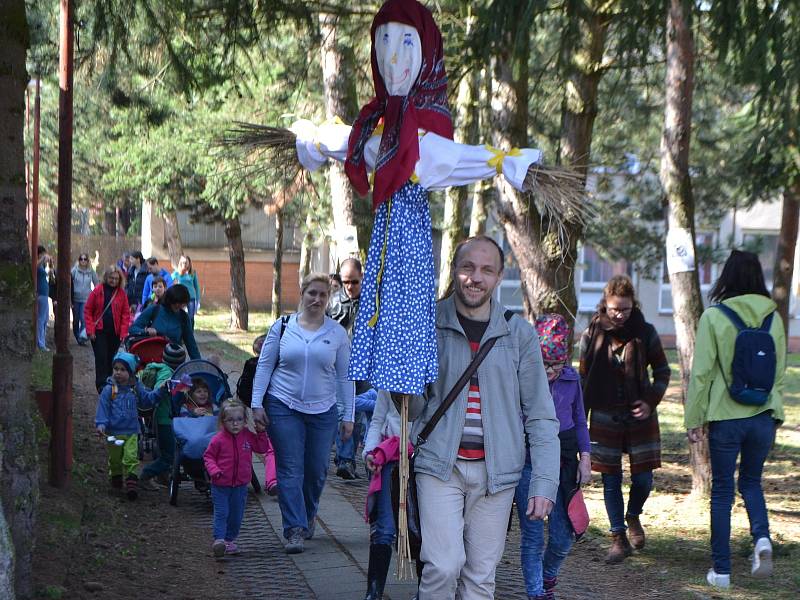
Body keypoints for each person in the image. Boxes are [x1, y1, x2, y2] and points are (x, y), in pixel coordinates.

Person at [411, 236, 560, 599]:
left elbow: (541, 414)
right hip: (439, 465)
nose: (475, 278)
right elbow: (411, 411)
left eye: (486, 270)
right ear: (455, 270)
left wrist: (544, 482)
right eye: (468, 267)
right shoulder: (428, 325)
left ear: (498, 277)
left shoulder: (519, 333)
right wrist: (404, 377)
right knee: (443, 565)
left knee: (480, 577)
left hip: (499, 473)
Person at [685, 250, 785, 589]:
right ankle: (761, 540)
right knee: (752, 483)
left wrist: (694, 420)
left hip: (725, 419)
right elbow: (780, 373)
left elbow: (701, 374)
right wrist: (777, 414)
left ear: (726, 276)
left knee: (723, 492)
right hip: (762, 417)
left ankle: (722, 572)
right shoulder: (774, 317)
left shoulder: (714, 317)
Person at [251, 273, 355, 554]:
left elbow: (346, 377)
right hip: (283, 405)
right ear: (302, 293)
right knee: (289, 468)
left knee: (317, 470)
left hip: (323, 411)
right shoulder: (283, 327)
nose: (317, 299)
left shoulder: (336, 334)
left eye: (323, 295)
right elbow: (264, 366)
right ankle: (294, 528)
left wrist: (349, 417)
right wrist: (257, 403)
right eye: (312, 293)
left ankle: (308, 513)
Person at [579, 274, 671, 564]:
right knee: (610, 479)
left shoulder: (646, 331)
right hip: (604, 413)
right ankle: (618, 538)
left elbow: (663, 372)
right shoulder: (591, 333)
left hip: (638, 415)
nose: (619, 315)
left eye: (626, 309)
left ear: (634, 306)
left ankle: (633, 515)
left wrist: (650, 400)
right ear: (605, 304)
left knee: (643, 479)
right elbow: (583, 377)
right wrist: (580, 417)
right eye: (614, 309)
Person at [516, 314, 591, 600]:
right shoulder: (523, 377)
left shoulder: (571, 380)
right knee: (533, 536)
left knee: (563, 536)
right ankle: (536, 594)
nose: (550, 371)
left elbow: (580, 420)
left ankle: (548, 576)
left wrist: (585, 457)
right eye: (545, 364)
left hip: (564, 463)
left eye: (556, 365)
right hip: (528, 464)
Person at [204, 399, 270, 557]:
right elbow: (208, 457)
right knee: (222, 512)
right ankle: (219, 540)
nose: (235, 424)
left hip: (240, 485)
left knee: (236, 514)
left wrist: (261, 432)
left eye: (239, 420)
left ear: (245, 421)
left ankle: (229, 539)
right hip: (220, 485)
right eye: (230, 420)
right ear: (223, 421)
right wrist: (214, 470)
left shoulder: (247, 436)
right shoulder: (218, 439)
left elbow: (262, 448)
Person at [361, 389, 410, 600]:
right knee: (384, 528)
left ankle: (428, 588)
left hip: (424, 459)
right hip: (391, 458)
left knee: (422, 530)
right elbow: (378, 419)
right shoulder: (387, 378)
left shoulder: (431, 373)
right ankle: (374, 591)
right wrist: (370, 451)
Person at [95, 351, 163, 500]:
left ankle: (132, 482)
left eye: (123, 369)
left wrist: (161, 391)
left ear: (130, 372)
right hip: (113, 432)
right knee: (115, 458)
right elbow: (103, 408)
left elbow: (147, 399)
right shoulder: (109, 390)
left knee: (131, 456)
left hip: (132, 430)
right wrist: (101, 424)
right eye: (116, 369)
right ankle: (116, 479)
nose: (118, 373)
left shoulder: (135, 388)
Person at [328, 257, 368, 480]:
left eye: (354, 281)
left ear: (362, 277)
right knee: (342, 412)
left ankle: (347, 458)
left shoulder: (373, 302)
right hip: (338, 366)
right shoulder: (332, 302)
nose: (350, 287)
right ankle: (344, 459)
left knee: (359, 414)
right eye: (346, 282)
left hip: (364, 366)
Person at [139, 343, 186, 491]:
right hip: (164, 418)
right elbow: (161, 386)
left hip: (162, 417)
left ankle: (163, 476)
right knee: (169, 455)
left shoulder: (163, 368)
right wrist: (165, 386)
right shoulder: (168, 374)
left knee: (165, 450)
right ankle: (146, 475)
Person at [236, 334, 278, 496]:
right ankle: (273, 481)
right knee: (273, 447)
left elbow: (243, 390)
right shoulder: (254, 365)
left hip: (272, 408)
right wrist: (255, 407)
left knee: (274, 448)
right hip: (265, 409)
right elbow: (244, 389)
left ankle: (277, 480)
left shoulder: (279, 364)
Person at [84, 266, 131, 393]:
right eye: (111, 278)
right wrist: (90, 330)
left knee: (111, 359)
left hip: (114, 333)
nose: (113, 281)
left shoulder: (122, 294)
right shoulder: (98, 290)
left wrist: (123, 332)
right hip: (99, 332)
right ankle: (101, 386)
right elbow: (88, 310)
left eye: (116, 278)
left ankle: (111, 384)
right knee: (101, 358)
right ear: (106, 277)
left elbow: (126, 314)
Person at [129, 284, 201, 360]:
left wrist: (199, 365)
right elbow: (133, 329)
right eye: (176, 302)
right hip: (151, 359)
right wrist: (145, 331)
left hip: (173, 361)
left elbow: (191, 345)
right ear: (169, 300)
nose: (178, 305)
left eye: (181, 303)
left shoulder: (183, 317)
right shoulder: (154, 309)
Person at [70, 253, 99, 346]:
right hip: (75, 298)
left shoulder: (91, 272)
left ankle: (82, 337)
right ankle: (77, 335)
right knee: (75, 319)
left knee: (84, 319)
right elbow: (69, 283)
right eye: (81, 259)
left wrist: (95, 296)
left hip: (86, 299)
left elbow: (97, 284)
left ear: (87, 261)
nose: (83, 261)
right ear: (79, 260)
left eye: (85, 259)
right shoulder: (74, 271)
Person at [172, 255, 201, 329]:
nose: (184, 264)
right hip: (181, 298)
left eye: (186, 262)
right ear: (180, 263)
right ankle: (181, 333)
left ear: (189, 263)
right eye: (182, 262)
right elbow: (170, 281)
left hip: (191, 298)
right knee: (180, 316)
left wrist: (198, 300)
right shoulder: (176, 273)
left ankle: (190, 333)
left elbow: (197, 287)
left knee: (191, 317)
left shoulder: (193, 273)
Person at [36, 245, 51, 351]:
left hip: (45, 294)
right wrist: (42, 259)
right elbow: (35, 266)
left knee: (45, 319)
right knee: (41, 319)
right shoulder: (37, 262)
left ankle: (42, 342)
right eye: (43, 254)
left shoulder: (41, 265)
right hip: (40, 294)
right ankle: (40, 344)